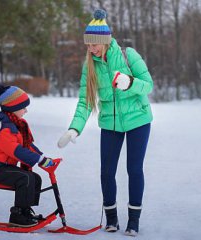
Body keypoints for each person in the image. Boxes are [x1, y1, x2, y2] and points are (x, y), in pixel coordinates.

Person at [57, 9, 153, 236]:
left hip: (138, 120)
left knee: (134, 169)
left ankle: (133, 221)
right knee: (106, 172)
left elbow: (148, 85)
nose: (91, 49)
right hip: (110, 124)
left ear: (105, 41)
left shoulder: (129, 55)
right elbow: (85, 101)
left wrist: (130, 83)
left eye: (94, 44)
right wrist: (74, 128)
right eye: (88, 45)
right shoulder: (89, 66)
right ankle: (111, 219)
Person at [0, 85, 54, 227]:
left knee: (35, 179)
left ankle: (25, 211)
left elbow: (27, 145)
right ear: (13, 107)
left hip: (6, 167)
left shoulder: (16, 124)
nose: (26, 110)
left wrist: (43, 158)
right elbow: (16, 150)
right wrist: (38, 160)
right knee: (25, 177)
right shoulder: (3, 128)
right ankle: (17, 215)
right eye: (23, 107)